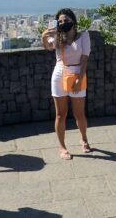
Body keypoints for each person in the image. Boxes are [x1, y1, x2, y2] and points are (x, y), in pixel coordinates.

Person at [41, 8, 91, 160]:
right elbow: (48, 47)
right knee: (60, 114)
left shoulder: (83, 36)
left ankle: (84, 139)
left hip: (77, 74)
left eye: (66, 20)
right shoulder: (58, 37)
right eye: (60, 21)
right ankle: (62, 147)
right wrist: (44, 36)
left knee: (79, 113)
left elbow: (84, 59)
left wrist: (79, 79)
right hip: (59, 75)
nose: (63, 23)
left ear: (73, 21)